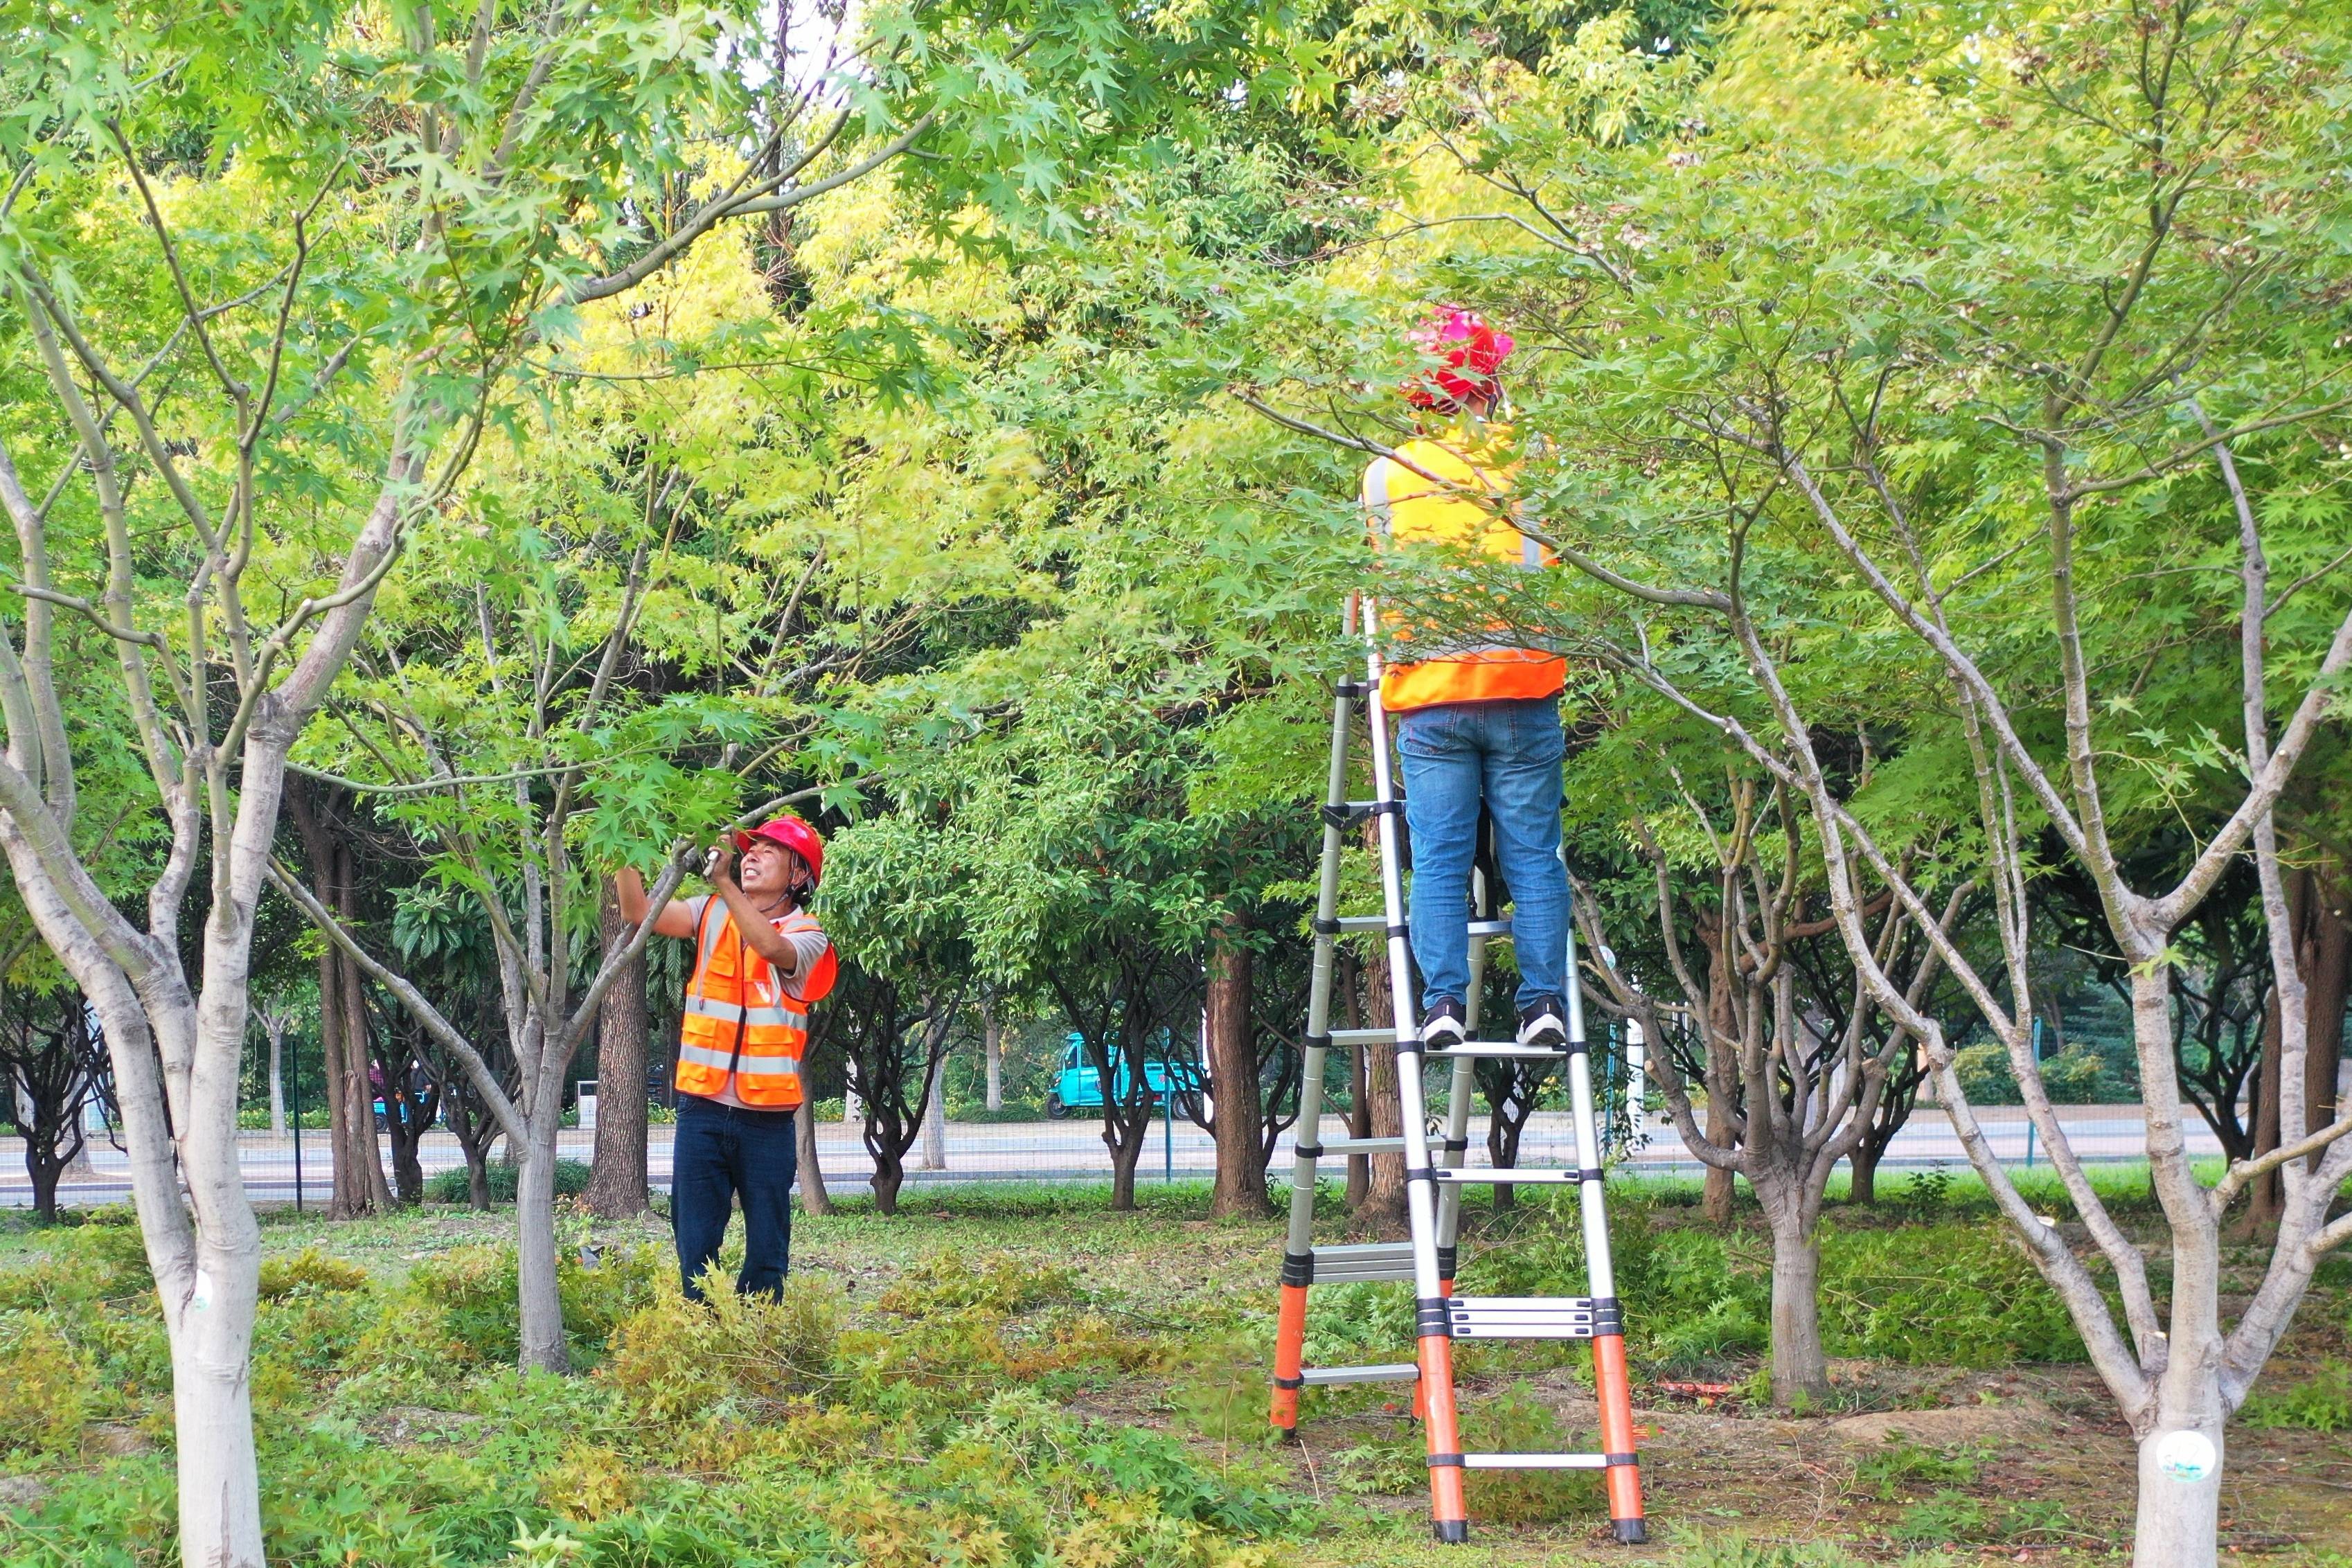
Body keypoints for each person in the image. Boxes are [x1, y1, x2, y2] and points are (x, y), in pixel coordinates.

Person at [1364, 308, 1571, 1051]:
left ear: (1420, 395)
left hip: (1433, 700)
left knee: (1441, 862)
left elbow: (1382, 578)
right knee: (1532, 858)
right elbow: (1553, 559)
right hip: (1523, 688)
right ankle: (1544, 1001)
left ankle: (1444, 1003)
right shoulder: (1531, 460)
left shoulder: (1387, 475)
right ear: (1489, 385)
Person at [617, 816, 836, 1300]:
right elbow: (638, 911)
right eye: (750, 848)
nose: (752, 855)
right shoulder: (710, 911)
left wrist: (722, 879)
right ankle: (703, 1341)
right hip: (703, 1112)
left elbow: (769, 945)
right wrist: (619, 848)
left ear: (799, 875)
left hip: (767, 1123)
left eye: (769, 851)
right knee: (694, 1245)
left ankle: (756, 1348)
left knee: (767, 1252)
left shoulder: (807, 932)